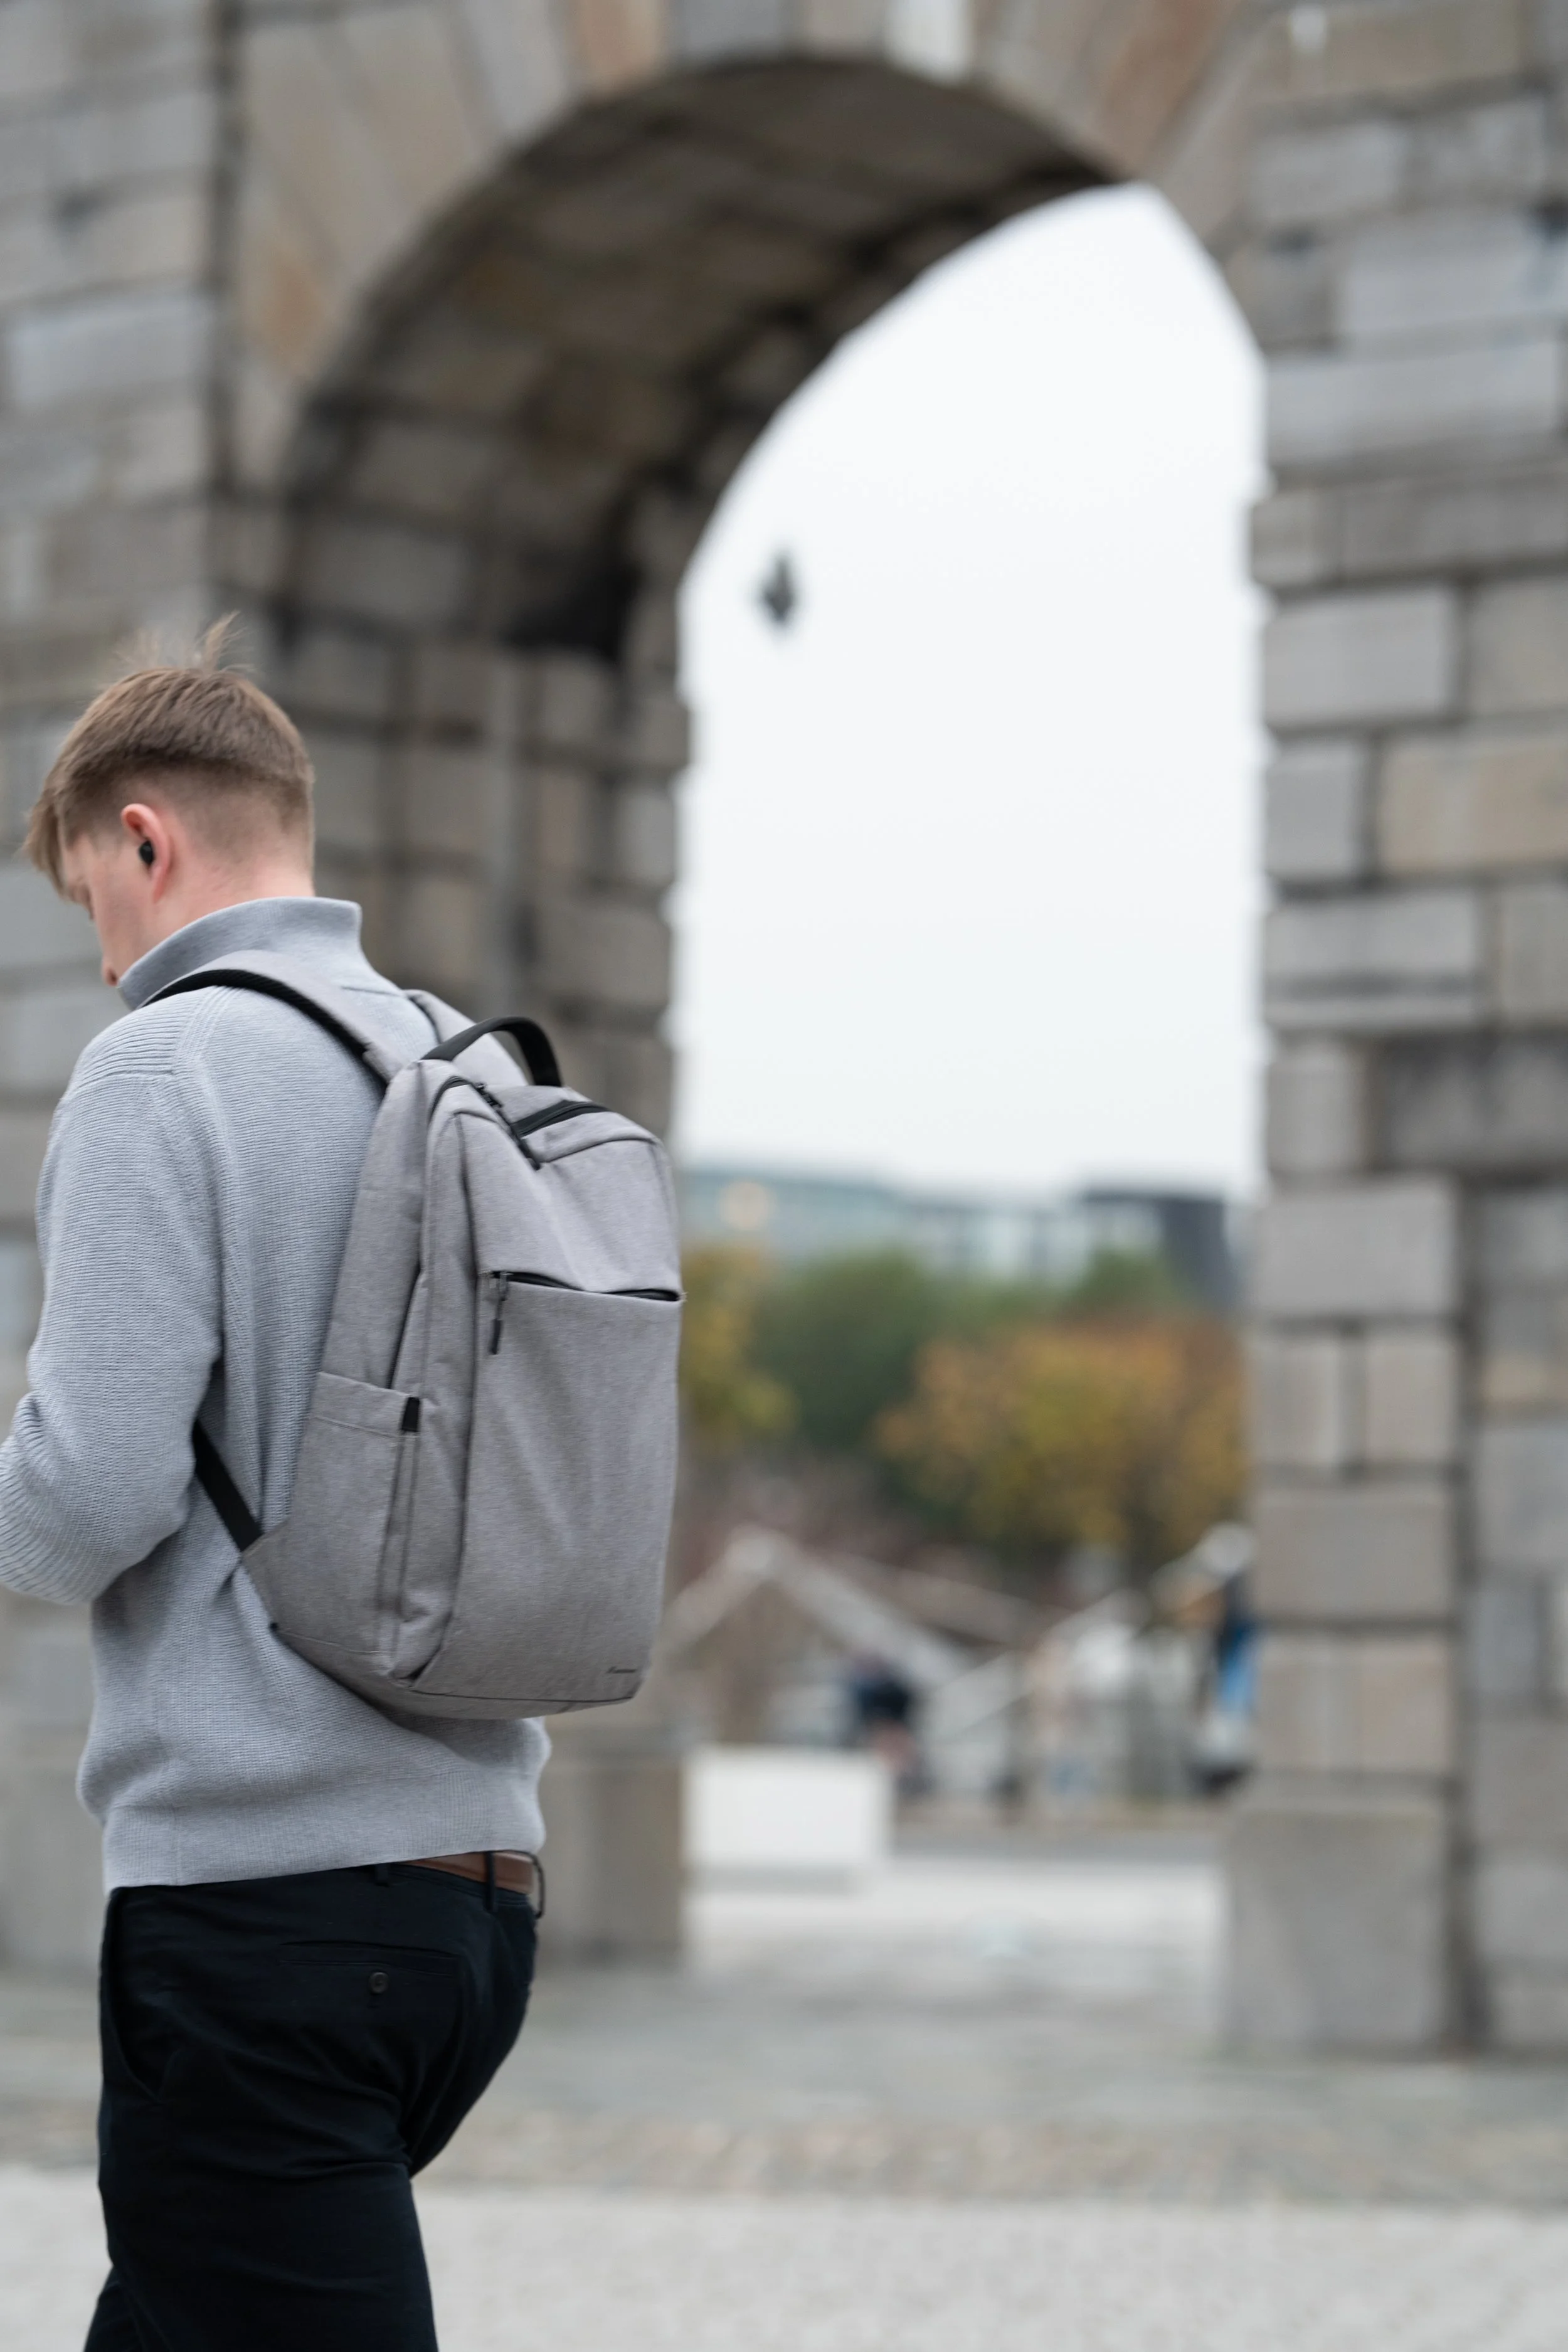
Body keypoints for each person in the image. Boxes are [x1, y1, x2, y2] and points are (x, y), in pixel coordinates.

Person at [0, 637, 547, 2351]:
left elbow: (87, 1490)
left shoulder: (166, 1065)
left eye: (92, 893)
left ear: (145, 841)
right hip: (477, 1896)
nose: (99, 956)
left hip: (267, 1903)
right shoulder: (475, 1067)